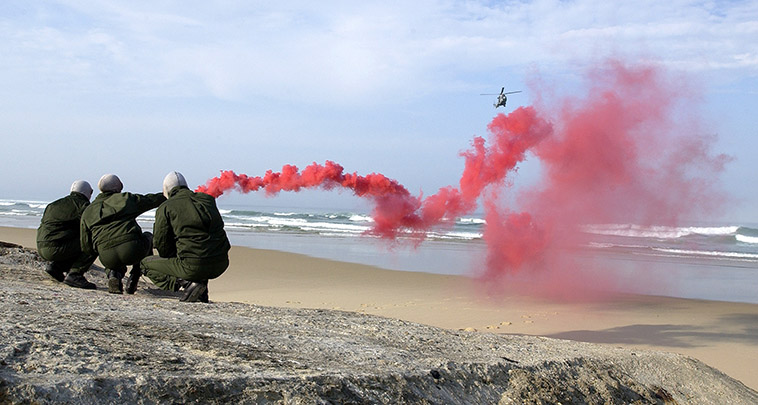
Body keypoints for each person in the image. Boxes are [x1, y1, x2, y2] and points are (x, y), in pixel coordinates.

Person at [140, 171, 230, 303]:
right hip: (221, 264)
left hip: (193, 266)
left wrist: (173, 259)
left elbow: (161, 244)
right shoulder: (208, 200)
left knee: (144, 264)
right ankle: (201, 293)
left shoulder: (166, 207)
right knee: (200, 248)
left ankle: (187, 283)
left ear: (166, 190)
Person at [80, 174, 166, 294]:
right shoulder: (125, 199)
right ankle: (134, 277)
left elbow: (86, 244)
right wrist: (167, 194)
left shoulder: (89, 210)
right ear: (117, 187)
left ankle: (113, 275)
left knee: (109, 246)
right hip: (132, 249)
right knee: (147, 237)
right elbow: (150, 200)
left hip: (106, 256)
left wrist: (97, 251)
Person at [36, 180, 98, 289]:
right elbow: (94, 226)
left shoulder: (54, 204)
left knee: (74, 241)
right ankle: (75, 275)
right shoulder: (82, 206)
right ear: (88, 192)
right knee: (93, 241)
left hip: (41, 246)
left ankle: (56, 267)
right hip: (55, 249)